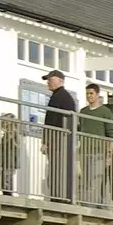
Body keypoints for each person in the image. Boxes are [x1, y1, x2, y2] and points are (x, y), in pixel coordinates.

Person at [77, 83, 113, 206]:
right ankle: (86, 205)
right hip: (84, 150)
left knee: (95, 181)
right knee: (85, 180)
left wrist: (109, 154)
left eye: (91, 93)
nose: (89, 96)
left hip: (99, 151)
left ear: (97, 94)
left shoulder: (105, 112)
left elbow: (111, 134)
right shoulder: (83, 111)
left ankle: (92, 207)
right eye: (87, 94)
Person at [40, 69, 76, 201]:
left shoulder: (60, 96)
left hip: (58, 139)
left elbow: (52, 121)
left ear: (61, 80)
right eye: (48, 80)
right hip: (59, 138)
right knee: (57, 169)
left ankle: (58, 197)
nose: (48, 82)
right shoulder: (61, 96)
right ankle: (58, 196)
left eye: (51, 79)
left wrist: (46, 141)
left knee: (57, 169)